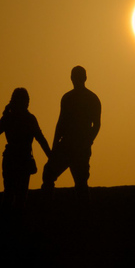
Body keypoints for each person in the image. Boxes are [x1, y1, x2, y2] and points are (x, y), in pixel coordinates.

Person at [0, 87, 52, 214]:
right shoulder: (26, 119)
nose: (28, 102)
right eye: (26, 100)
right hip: (20, 160)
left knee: (11, 194)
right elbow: (40, 139)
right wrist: (51, 156)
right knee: (17, 196)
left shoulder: (10, 118)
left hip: (13, 160)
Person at [41, 66, 101, 203]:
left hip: (78, 146)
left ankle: (83, 214)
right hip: (68, 145)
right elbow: (61, 124)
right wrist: (55, 149)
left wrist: (87, 142)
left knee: (80, 182)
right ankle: (47, 208)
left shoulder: (90, 98)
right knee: (49, 174)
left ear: (84, 78)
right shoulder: (69, 98)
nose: (76, 80)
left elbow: (96, 125)